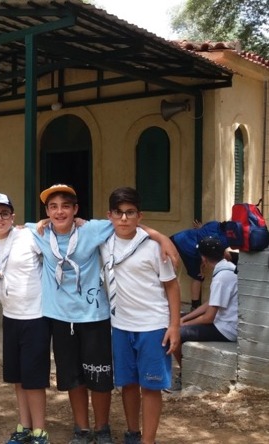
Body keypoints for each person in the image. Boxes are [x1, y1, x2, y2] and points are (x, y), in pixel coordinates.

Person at [27, 184, 177, 444]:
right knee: (78, 378)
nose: (60, 211)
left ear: (76, 209)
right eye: (53, 207)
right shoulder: (40, 232)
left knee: (100, 376)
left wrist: (162, 237)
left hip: (99, 317)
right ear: (47, 211)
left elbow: (130, 224)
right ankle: (83, 429)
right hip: (65, 318)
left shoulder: (95, 231)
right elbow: (11, 228)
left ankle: (104, 429)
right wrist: (43, 222)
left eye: (66, 206)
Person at [99, 187, 181, 444]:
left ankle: (148, 440)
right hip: (121, 325)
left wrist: (174, 326)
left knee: (151, 386)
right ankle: (133, 433)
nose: (124, 218)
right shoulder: (103, 241)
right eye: (118, 213)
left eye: (130, 212)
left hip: (153, 326)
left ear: (139, 215)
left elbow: (172, 286)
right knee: (128, 383)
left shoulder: (155, 248)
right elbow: (76, 224)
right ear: (109, 215)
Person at [0, 193, 50, 444]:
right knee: (18, 377)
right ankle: (24, 426)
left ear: (13, 216)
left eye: (5, 213)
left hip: (36, 317)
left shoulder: (28, 236)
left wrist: (41, 223)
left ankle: (40, 431)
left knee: (34, 378)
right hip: (10, 317)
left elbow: (57, 236)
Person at [172, 236, 238, 388]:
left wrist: (182, 324)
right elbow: (210, 303)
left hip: (226, 329)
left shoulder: (222, 277)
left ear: (203, 258)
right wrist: (184, 318)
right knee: (175, 321)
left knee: (176, 334)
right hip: (223, 322)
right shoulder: (226, 268)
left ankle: (185, 373)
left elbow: (208, 318)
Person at [170, 221, 230, 311]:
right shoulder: (223, 239)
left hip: (176, 238)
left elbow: (202, 230)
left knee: (167, 272)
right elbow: (206, 253)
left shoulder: (214, 223)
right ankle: (194, 307)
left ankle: (168, 302)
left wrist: (201, 229)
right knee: (198, 276)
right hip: (191, 249)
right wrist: (201, 267)